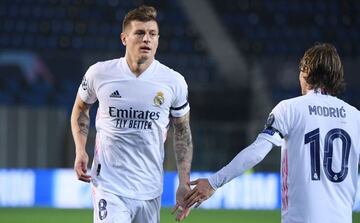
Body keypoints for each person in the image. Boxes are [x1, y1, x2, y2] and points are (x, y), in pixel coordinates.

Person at [184, 43, 360, 223]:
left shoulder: (290, 109)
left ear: (306, 71)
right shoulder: (356, 117)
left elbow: (256, 152)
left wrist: (214, 182)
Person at [70, 5, 193, 223]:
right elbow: (81, 108)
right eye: (140, 33)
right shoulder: (100, 73)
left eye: (152, 34)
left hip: (150, 189)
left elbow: (182, 131)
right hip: (109, 186)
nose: (147, 39)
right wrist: (80, 150)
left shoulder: (173, 82)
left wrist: (184, 181)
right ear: (124, 38)